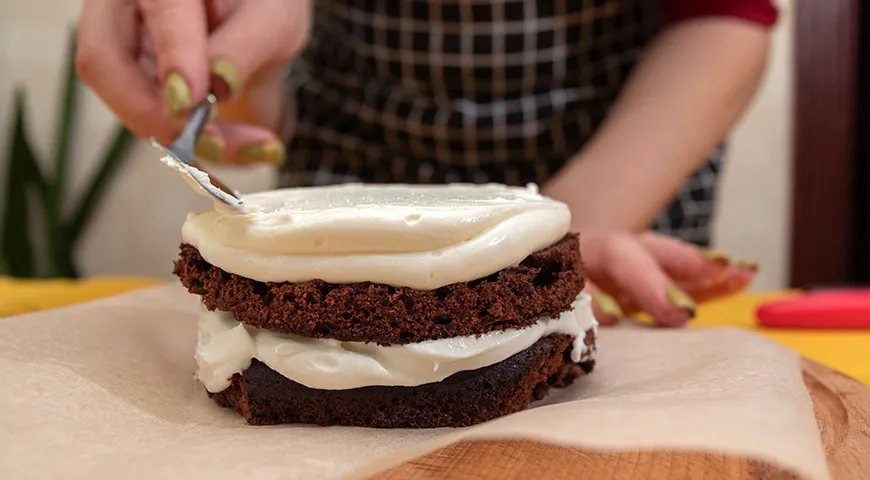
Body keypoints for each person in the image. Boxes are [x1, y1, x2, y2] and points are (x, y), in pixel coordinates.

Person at [75, 0, 776, 326]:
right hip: (350, 161)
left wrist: (556, 240)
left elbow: (723, 15)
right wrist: (230, 38)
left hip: (609, 168)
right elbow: (266, 64)